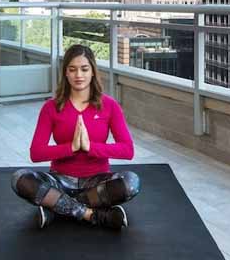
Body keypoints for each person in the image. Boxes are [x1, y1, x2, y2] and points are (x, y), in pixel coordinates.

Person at [11, 44, 140, 230]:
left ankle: (57, 207)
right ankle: (91, 214)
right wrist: (71, 147)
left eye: (84, 69)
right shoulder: (51, 107)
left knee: (131, 182)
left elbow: (127, 150)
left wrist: (90, 147)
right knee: (19, 178)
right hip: (60, 181)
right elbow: (36, 153)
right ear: (65, 73)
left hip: (97, 182)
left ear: (93, 72)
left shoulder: (109, 106)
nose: (78, 75)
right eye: (72, 69)